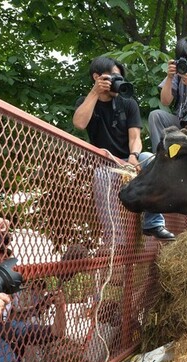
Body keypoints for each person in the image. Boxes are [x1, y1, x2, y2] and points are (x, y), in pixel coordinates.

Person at [73, 56, 175, 241]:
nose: (117, 82)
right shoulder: (86, 101)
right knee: (101, 175)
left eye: (119, 77)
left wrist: (134, 156)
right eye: (112, 77)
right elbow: (79, 123)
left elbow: (135, 137)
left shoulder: (128, 103)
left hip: (130, 159)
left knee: (151, 158)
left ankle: (154, 223)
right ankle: (115, 237)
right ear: (96, 77)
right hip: (104, 164)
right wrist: (94, 93)